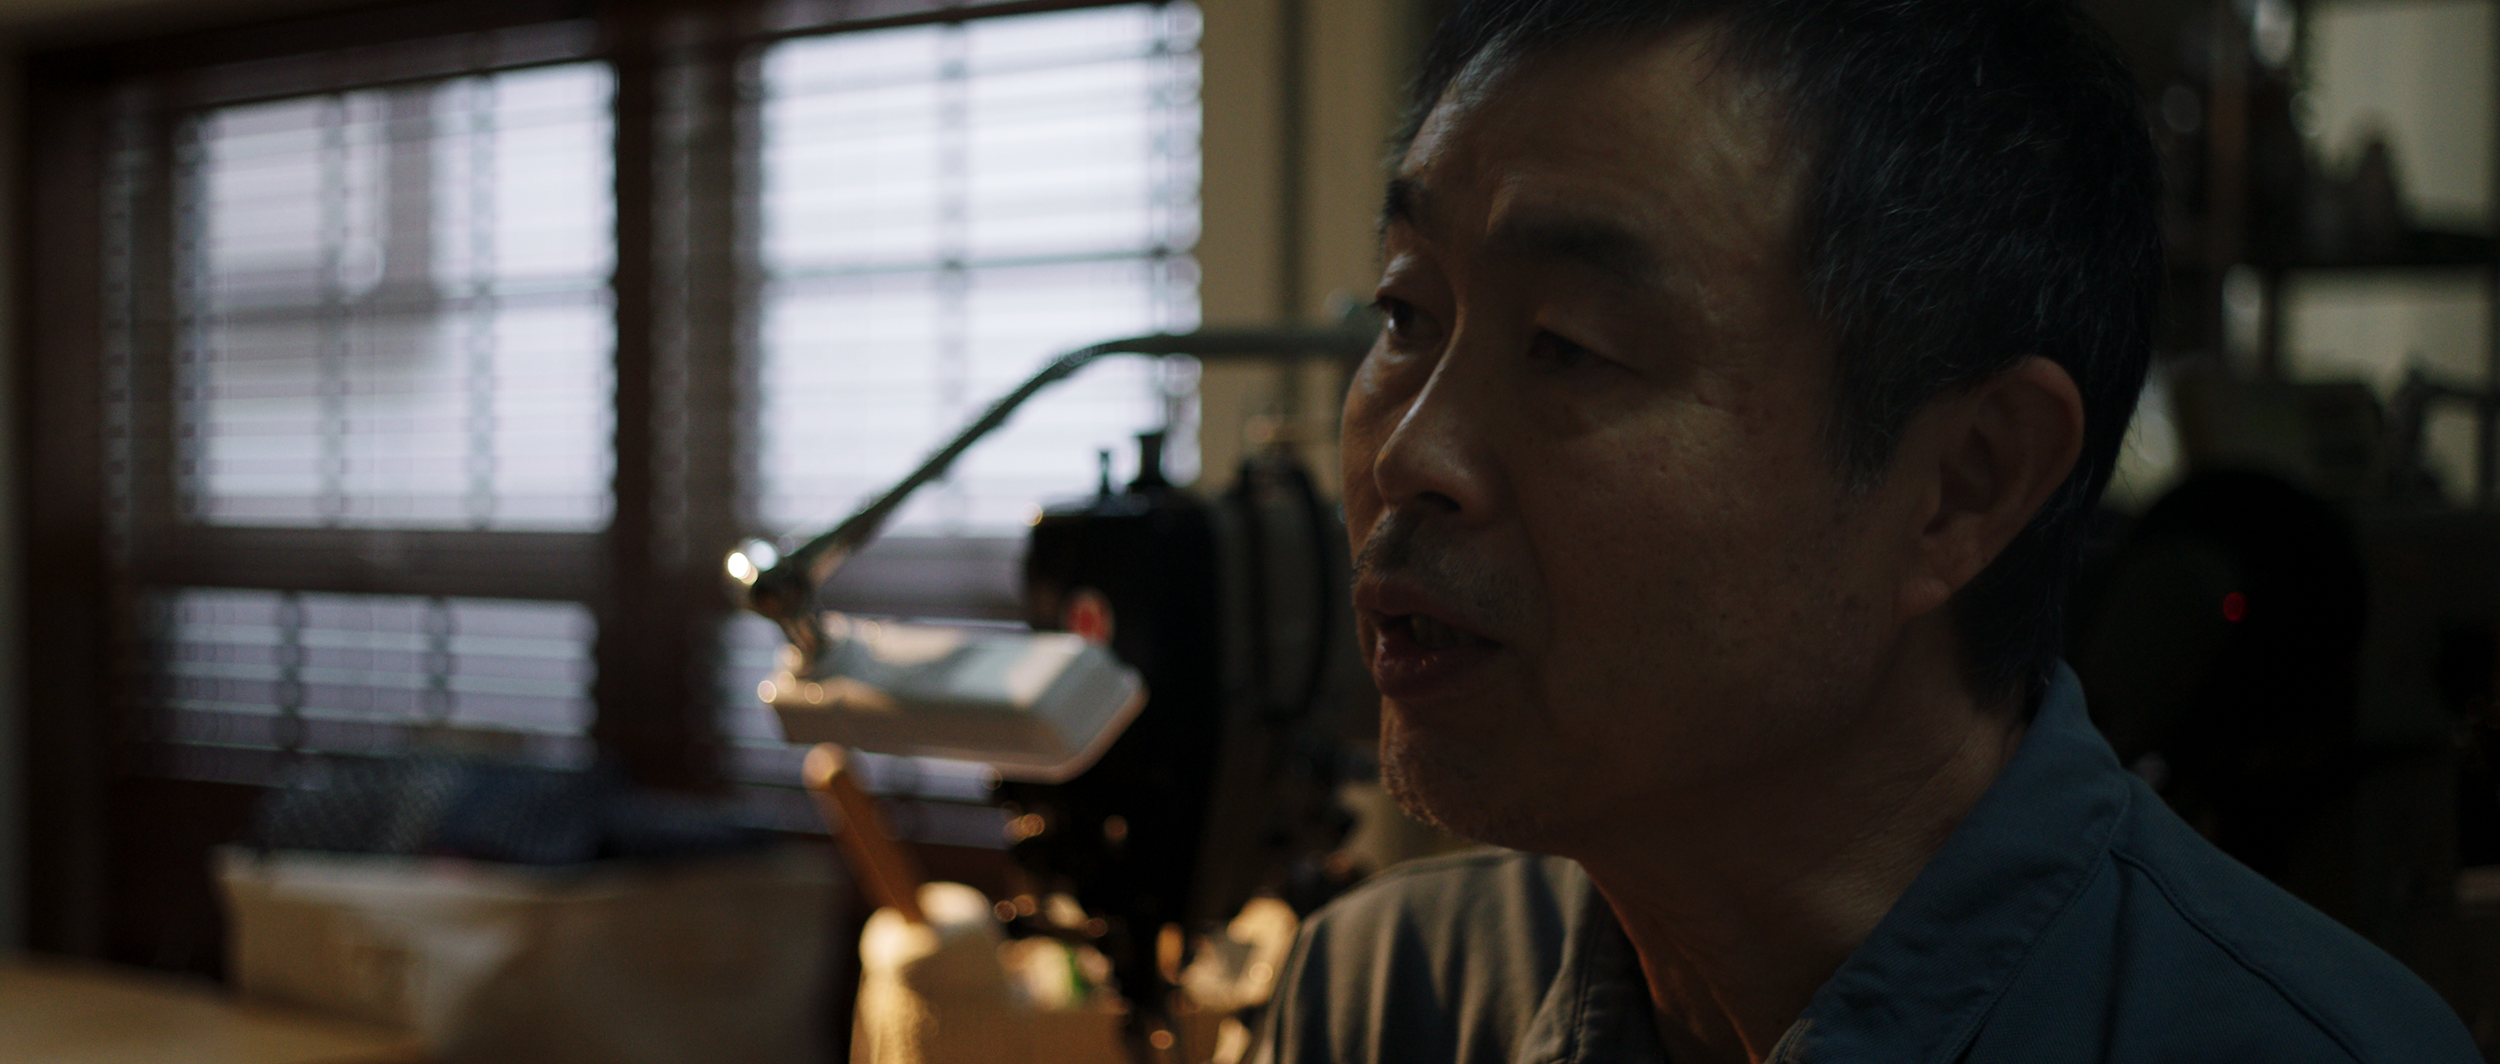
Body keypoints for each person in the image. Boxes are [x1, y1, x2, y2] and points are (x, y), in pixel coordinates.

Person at [1254, 1, 2482, 1061]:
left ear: (1962, 483)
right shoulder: (1390, 998)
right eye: (1405, 312)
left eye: (1567, 345)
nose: (1408, 453)